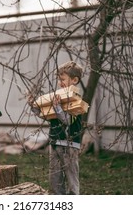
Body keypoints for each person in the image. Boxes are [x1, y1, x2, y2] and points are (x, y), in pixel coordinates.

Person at [27, 61, 83, 195]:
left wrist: (57, 107)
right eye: (58, 79)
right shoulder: (58, 98)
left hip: (69, 144)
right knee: (55, 178)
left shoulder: (76, 100)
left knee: (71, 179)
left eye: (62, 79)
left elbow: (68, 121)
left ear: (74, 80)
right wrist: (34, 106)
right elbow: (48, 116)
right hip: (55, 142)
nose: (59, 82)